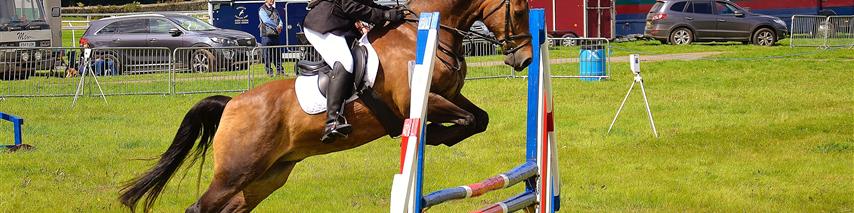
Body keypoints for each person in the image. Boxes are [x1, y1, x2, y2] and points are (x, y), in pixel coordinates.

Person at [303, 0, 405, 143]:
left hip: (340, 25)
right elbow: (350, 6)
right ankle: (332, 121)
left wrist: (390, 11)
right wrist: (384, 14)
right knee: (346, 61)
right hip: (323, 25)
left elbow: (366, 3)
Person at [258, 0, 286, 76]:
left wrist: (280, 26)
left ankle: (280, 71)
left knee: (277, 55)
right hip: (266, 36)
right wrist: (276, 27)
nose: (272, 0)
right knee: (267, 55)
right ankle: (269, 72)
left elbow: (280, 20)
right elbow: (266, 21)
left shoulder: (275, 10)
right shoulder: (262, 9)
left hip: (275, 35)